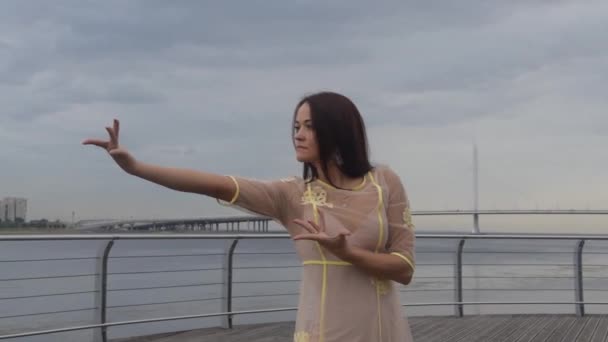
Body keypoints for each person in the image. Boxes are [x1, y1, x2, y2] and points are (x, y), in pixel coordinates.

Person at [83, 91, 416, 342]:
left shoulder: (384, 183)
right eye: (296, 126)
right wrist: (137, 168)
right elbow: (214, 184)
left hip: (382, 327)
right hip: (324, 330)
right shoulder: (292, 195)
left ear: (338, 130)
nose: (297, 134)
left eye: (310, 126)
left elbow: (404, 268)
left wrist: (348, 254)